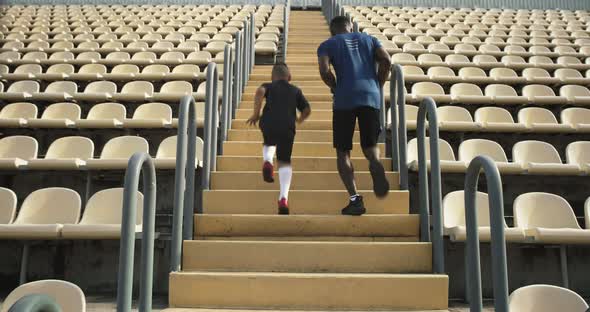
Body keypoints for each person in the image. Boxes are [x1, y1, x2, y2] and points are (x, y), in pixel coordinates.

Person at [317, 16, 392, 216]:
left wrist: (334, 86)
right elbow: (386, 60)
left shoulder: (327, 44)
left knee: (343, 151)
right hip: (370, 95)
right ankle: (374, 162)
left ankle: (355, 199)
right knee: (369, 145)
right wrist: (379, 83)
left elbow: (324, 71)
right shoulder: (369, 39)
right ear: (351, 27)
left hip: (344, 98)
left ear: (332, 30)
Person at [246, 63, 312, 215]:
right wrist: (299, 120)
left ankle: (268, 160)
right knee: (284, 160)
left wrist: (256, 113)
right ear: (289, 77)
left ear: (272, 77)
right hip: (287, 126)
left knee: (269, 142)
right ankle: (283, 198)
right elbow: (307, 109)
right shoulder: (295, 90)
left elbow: (260, 91)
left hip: (268, 121)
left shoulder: (268, 85)